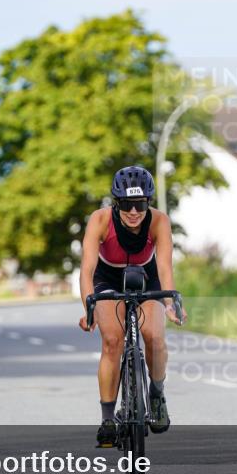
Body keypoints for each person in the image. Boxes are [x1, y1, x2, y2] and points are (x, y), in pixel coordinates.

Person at [78, 166, 187, 448]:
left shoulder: (159, 222)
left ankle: (156, 394)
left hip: (146, 276)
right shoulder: (100, 220)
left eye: (140, 204)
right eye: (127, 204)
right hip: (108, 279)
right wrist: (88, 308)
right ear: (116, 202)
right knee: (112, 341)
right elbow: (87, 269)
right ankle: (107, 419)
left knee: (154, 337)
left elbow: (164, 266)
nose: (134, 211)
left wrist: (169, 302)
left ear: (148, 202)